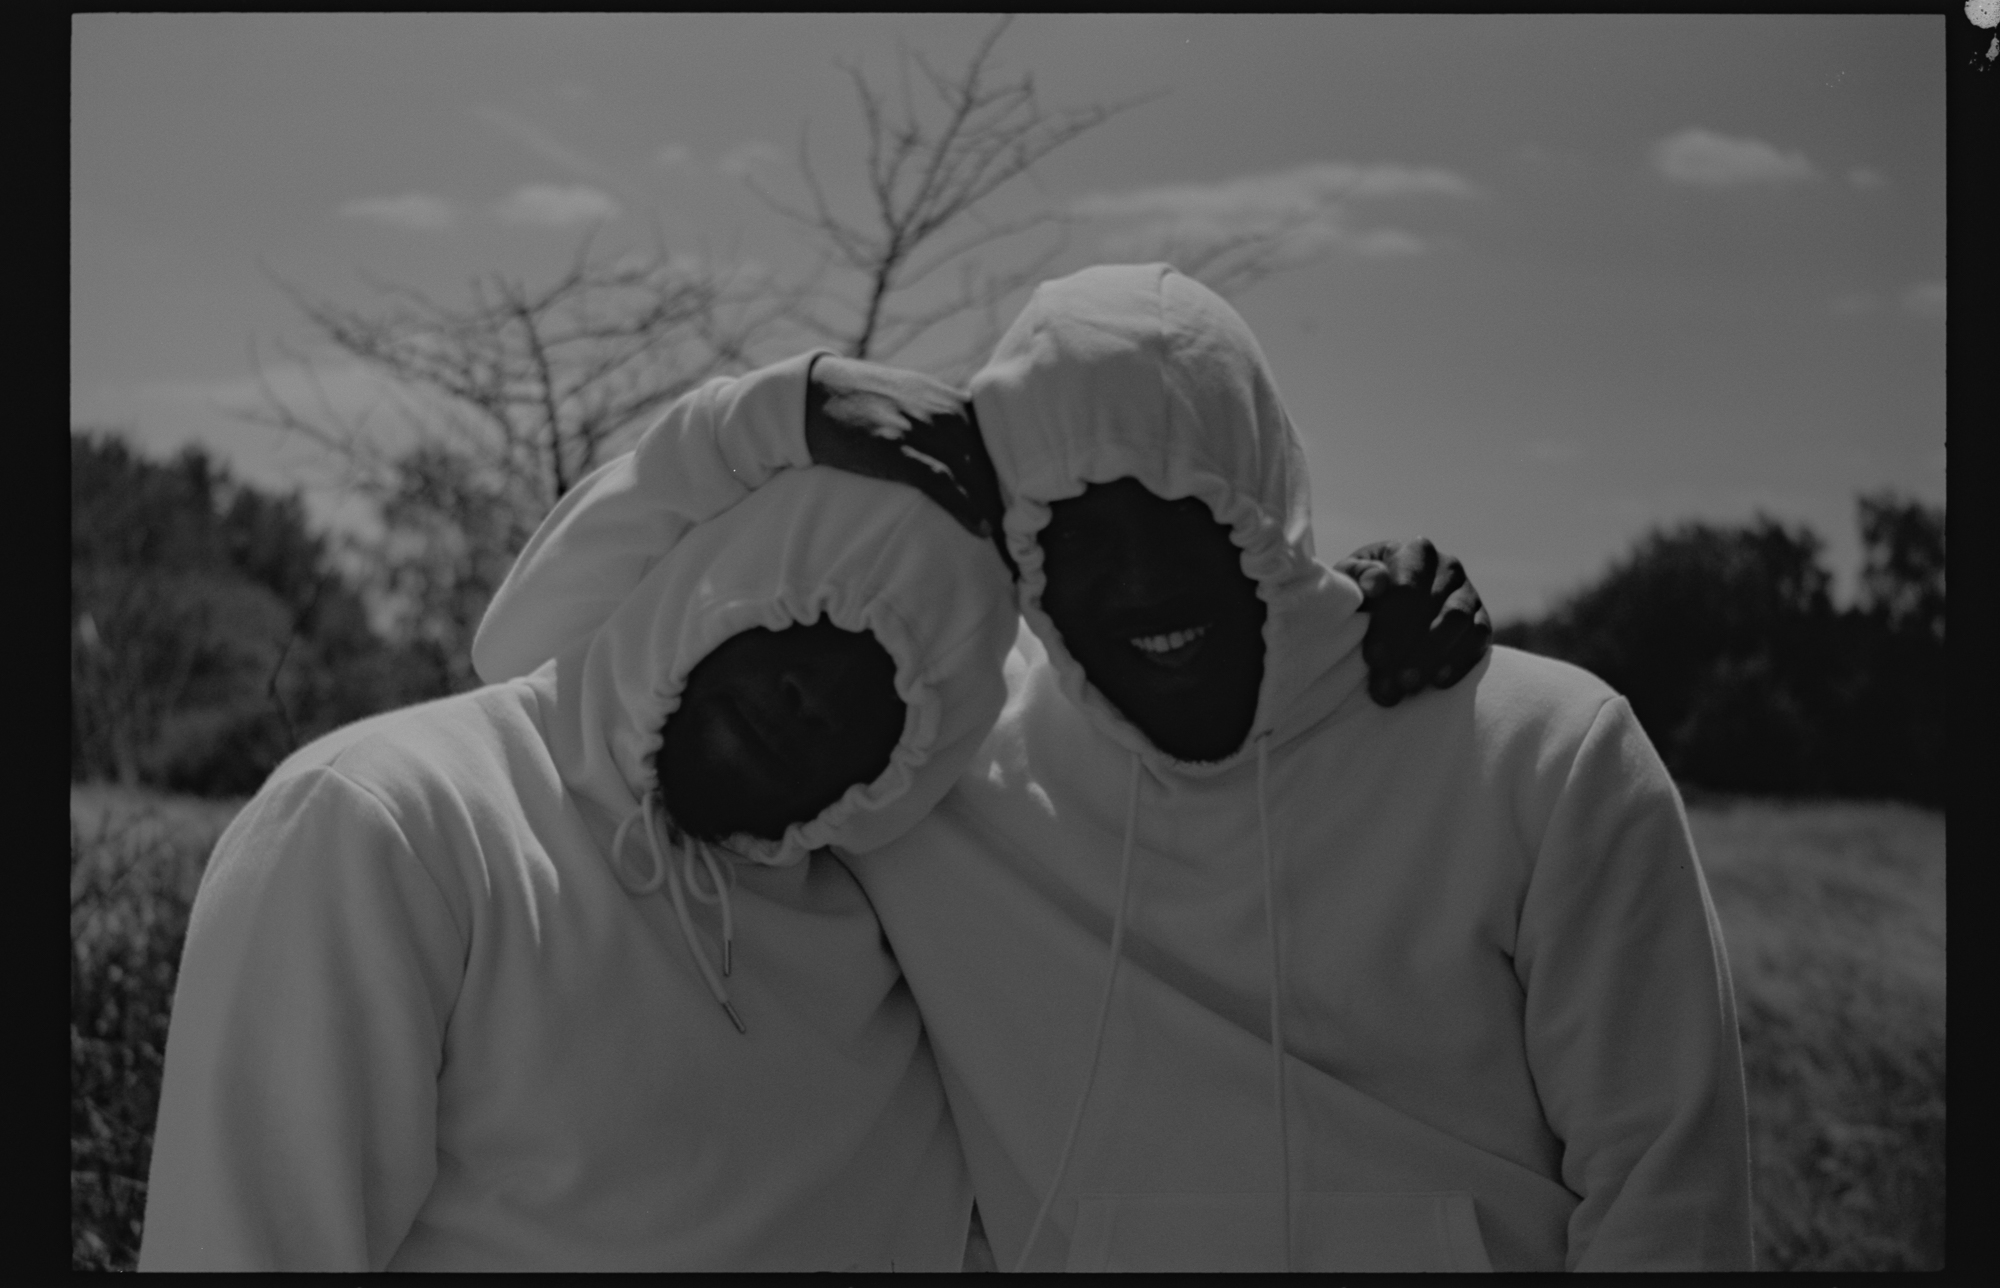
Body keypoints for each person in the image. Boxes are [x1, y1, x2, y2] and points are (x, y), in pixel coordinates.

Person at [139, 346, 1485, 1271]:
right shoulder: (402, 828)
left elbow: (1143, 725)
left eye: (885, 695)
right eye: (802, 623)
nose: (820, 706)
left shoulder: (900, 893)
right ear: (707, 578)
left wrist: (1328, 628)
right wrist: (765, 412)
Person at [843, 264, 1756, 1272]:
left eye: (1180, 503)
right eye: (1079, 530)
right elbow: (646, 650)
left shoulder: (1542, 753)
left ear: (1262, 495)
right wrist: (787, 408)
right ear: (1018, 551)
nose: (1142, 579)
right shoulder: (935, 786)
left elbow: (1669, 1202)